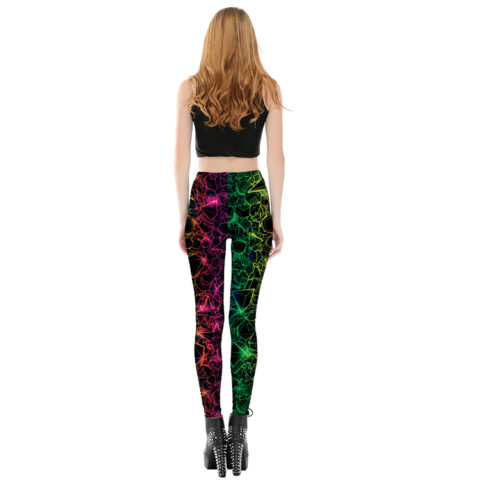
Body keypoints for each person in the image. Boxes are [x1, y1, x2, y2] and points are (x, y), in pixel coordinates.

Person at [174, 7, 285, 477]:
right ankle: (239, 433)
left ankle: (212, 432)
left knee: (208, 320)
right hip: (252, 196)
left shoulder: (191, 89)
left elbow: (180, 161)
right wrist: (277, 217)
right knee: (243, 318)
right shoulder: (267, 88)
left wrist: (183, 219)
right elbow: (276, 158)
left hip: (206, 198)